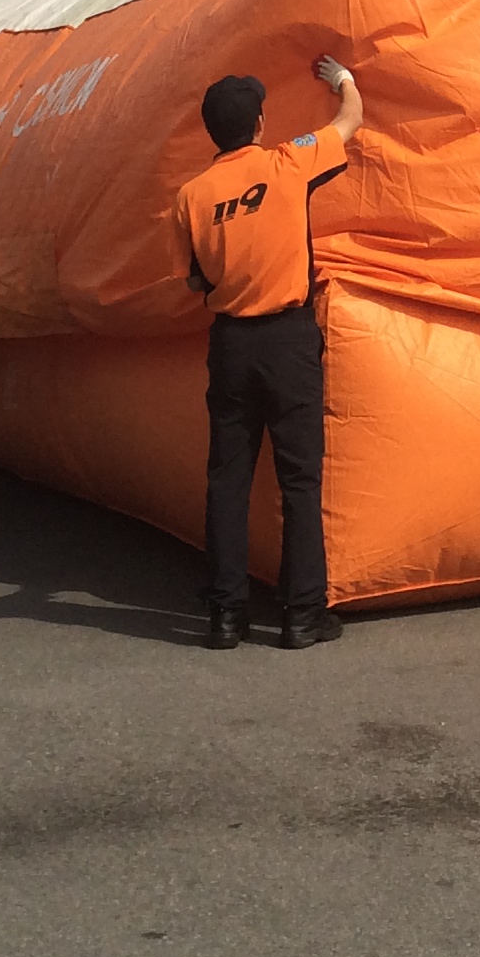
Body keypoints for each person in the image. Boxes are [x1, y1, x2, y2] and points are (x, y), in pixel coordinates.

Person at [172, 53, 366, 650]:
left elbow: (194, 280)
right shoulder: (288, 161)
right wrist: (342, 79)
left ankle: (225, 615)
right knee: (299, 480)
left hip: (231, 344)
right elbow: (351, 120)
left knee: (227, 478)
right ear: (259, 123)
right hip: (287, 341)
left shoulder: (191, 196)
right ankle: (302, 614)